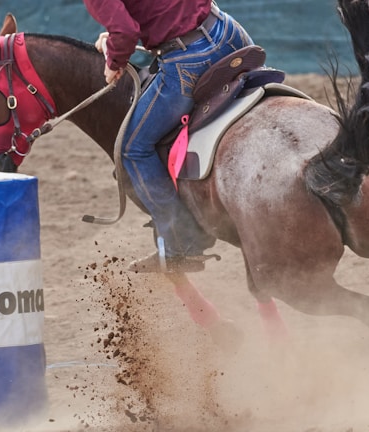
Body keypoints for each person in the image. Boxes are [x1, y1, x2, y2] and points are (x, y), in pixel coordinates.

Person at [84, 0, 253, 273]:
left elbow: (125, 31)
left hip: (190, 59)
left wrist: (114, 60)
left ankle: (181, 243)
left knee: (132, 146)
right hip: (228, 32)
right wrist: (116, 41)